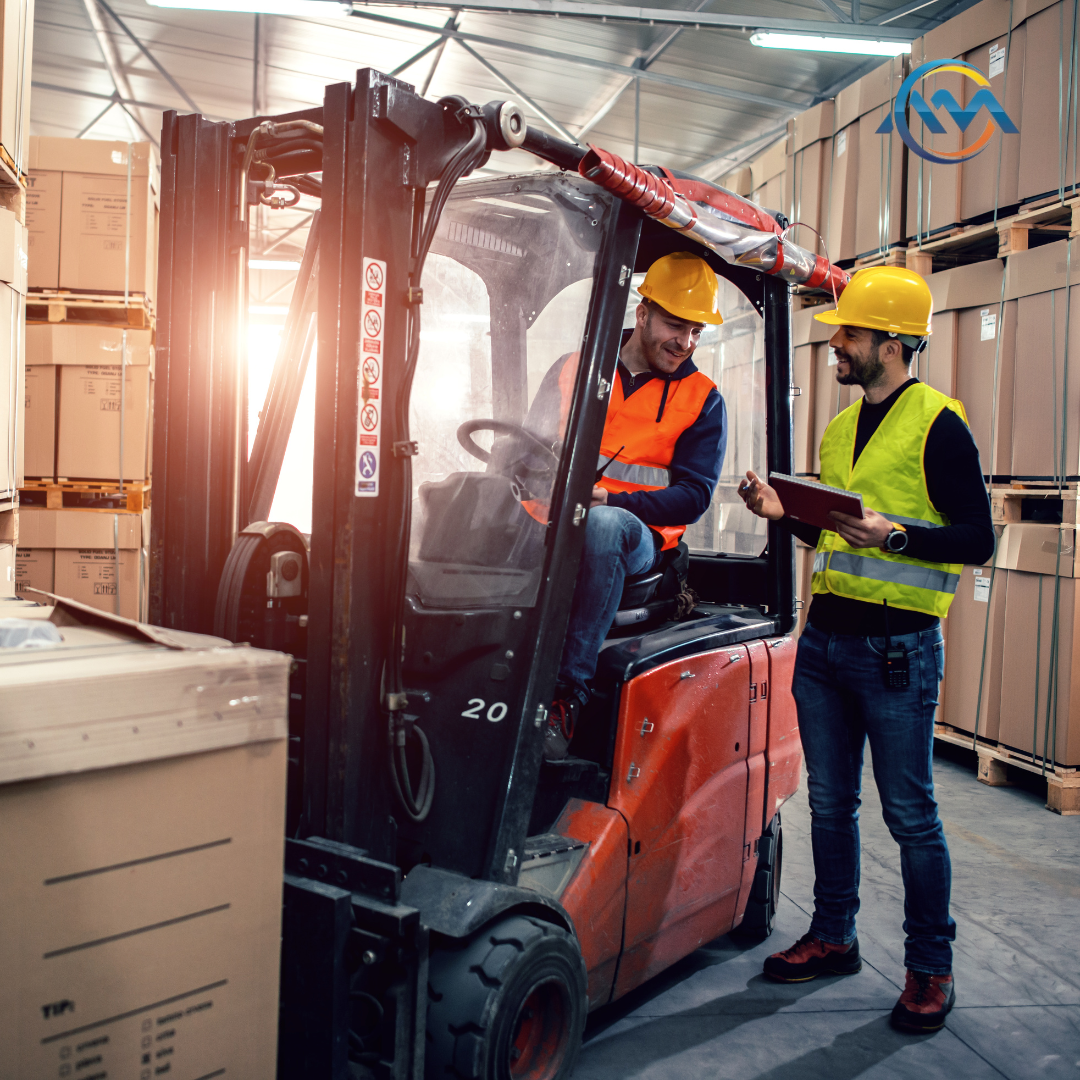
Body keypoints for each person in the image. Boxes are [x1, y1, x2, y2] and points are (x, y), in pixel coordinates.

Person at [738, 266, 994, 1033]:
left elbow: (977, 538)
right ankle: (833, 936)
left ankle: (929, 970)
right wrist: (784, 512)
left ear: (891, 342)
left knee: (911, 815)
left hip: (897, 653)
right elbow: (837, 533)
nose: (835, 346)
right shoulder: (841, 427)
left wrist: (898, 534)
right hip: (826, 645)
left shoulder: (939, 424)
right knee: (828, 804)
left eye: (847, 334)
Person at [540, 251, 728, 759]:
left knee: (604, 525)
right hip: (552, 521)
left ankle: (567, 696)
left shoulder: (703, 399)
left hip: (640, 541)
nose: (685, 342)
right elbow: (528, 447)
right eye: (675, 324)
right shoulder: (574, 369)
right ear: (642, 312)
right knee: (460, 496)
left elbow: (695, 496)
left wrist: (613, 497)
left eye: (696, 331)